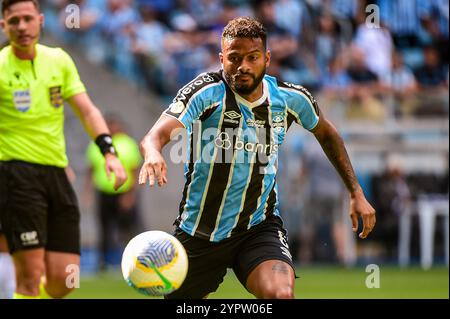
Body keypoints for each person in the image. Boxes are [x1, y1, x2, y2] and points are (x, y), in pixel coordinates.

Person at [139, 16, 376, 299]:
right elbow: (156, 134)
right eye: (234, 58)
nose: (243, 66)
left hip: (257, 228)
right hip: (199, 233)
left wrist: (355, 192)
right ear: (221, 58)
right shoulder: (206, 92)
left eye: (252, 57)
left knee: (280, 296)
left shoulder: (290, 98)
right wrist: (153, 151)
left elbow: (327, 133)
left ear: (266, 58)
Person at [0, 0, 127, 299]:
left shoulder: (58, 60)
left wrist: (109, 152)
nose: (22, 27)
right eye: (14, 20)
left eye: (27, 19)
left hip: (57, 173)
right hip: (16, 176)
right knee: (30, 277)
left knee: (65, 280)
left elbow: (87, 111)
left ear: (41, 20)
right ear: (4, 24)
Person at [85, 116, 142, 271]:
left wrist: (131, 194)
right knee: (104, 229)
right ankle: (103, 263)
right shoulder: (97, 144)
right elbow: (91, 169)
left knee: (128, 229)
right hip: (103, 193)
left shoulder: (127, 144)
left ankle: (135, 261)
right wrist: (88, 192)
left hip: (124, 193)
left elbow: (134, 169)